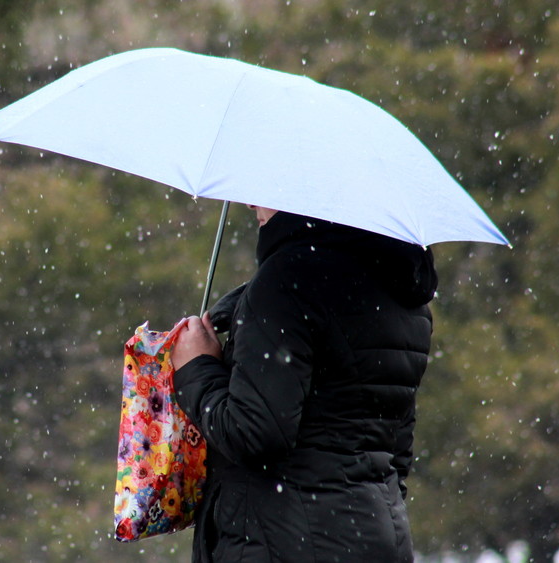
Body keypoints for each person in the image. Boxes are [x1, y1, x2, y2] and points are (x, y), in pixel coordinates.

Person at [171, 205, 437, 562]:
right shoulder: (403, 296)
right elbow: (395, 453)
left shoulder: (287, 281)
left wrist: (196, 367)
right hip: (377, 535)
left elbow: (253, 434)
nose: (251, 203)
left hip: (283, 541)